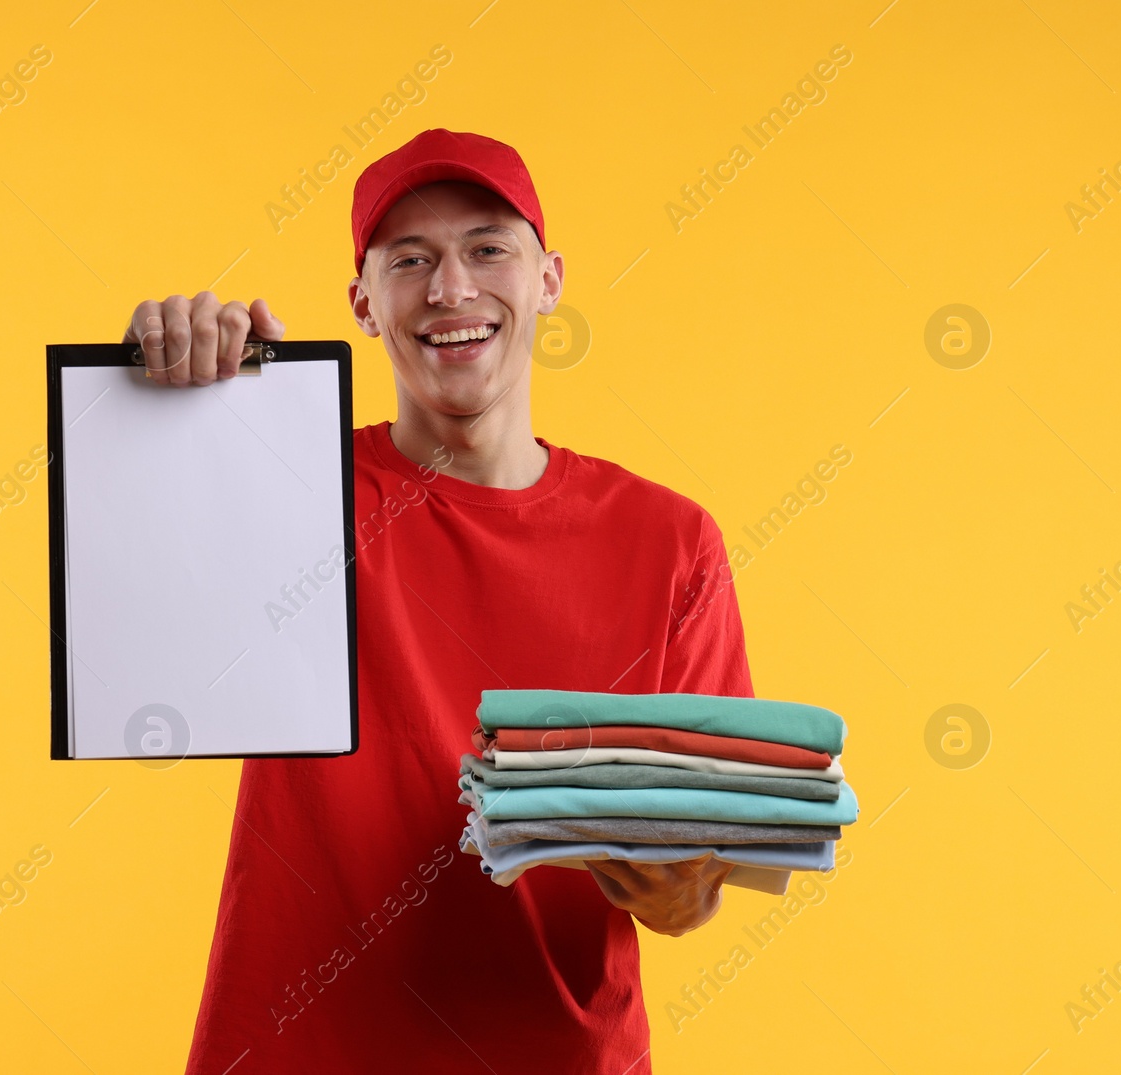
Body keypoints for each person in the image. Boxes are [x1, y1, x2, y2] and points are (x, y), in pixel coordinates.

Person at [123, 128, 750, 1073]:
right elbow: (136, 632)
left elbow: (699, 884)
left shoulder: (672, 542)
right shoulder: (292, 492)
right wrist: (163, 407)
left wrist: (671, 887)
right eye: (409, 260)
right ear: (363, 304)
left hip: (556, 1053)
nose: (450, 289)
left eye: (487, 248)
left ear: (549, 279)